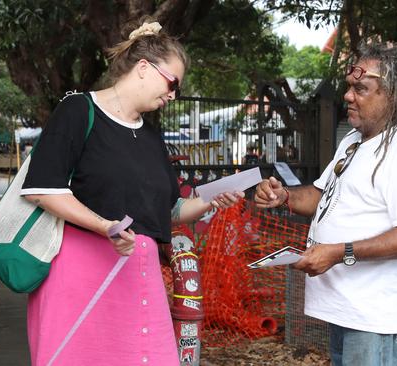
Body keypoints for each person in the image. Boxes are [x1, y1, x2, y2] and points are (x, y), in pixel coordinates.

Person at [20, 19, 244, 365]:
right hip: (79, 272)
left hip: (141, 274)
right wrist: (103, 225)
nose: (172, 95)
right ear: (143, 68)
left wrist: (210, 200)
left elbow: (168, 211)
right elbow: (42, 190)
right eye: (172, 84)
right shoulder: (79, 111)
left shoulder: (151, 135)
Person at [255, 43, 397, 365]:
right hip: (348, 308)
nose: (348, 95)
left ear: (393, 95)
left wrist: (338, 252)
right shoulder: (355, 140)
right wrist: (283, 196)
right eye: (349, 86)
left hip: (376, 316)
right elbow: (322, 195)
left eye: (361, 88)